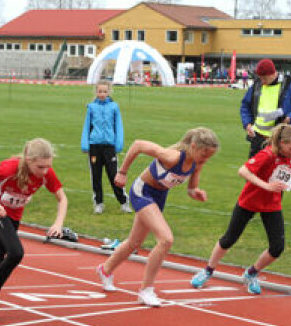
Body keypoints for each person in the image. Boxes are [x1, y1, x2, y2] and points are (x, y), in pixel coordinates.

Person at [96, 127, 220, 307]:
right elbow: (138, 144)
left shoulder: (197, 162)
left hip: (159, 197)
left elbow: (191, 188)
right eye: (204, 154)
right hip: (142, 192)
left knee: (134, 242)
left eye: (209, 156)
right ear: (193, 146)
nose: (205, 159)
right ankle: (146, 290)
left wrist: (196, 192)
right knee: (165, 239)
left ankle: (105, 269)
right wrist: (122, 172)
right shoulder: (173, 156)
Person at [191, 124, 291, 295]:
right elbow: (243, 171)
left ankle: (251, 273)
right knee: (229, 238)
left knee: (277, 247)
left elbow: (279, 172)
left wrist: (288, 180)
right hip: (249, 201)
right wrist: (266, 185)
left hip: (272, 204)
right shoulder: (266, 155)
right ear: (281, 143)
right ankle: (207, 271)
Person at [0, 139, 67, 316]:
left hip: (14, 216)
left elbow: (62, 198)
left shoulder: (46, 174)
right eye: (40, 167)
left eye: (48, 167)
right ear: (29, 160)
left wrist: (58, 223)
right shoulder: (10, 168)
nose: (45, 171)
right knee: (16, 252)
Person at [240, 58, 291, 158]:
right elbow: (245, 105)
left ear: (272, 74)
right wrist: (247, 124)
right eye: (260, 78)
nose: (262, 81)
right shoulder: (256, 85)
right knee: (253, 171)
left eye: (264, 78)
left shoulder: (288, 84)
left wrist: (290, 118)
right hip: (257, 138)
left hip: (279, 138)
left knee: (275, 171)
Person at [81, 82, 130, 215]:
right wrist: (85, 144)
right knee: (96, 176)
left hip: (109, 146)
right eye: (100, 91)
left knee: (114, 175)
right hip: (94, 146)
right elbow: (86, 126)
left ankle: (124, 202)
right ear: (96, 92)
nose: (102, 94)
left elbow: (118, 126)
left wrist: (118, 144)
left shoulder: (114, 107)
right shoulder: (91, 107)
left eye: (104, 91)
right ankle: (98, 203)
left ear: (109, 92)